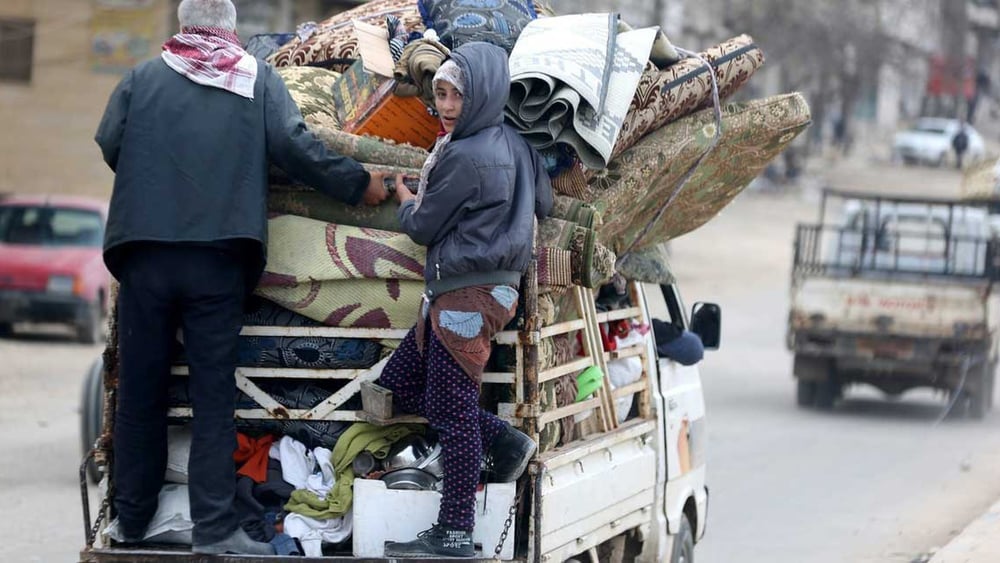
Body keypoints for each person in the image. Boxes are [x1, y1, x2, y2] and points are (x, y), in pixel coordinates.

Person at [94, 0, 388, 555]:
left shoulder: (140, 79)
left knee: (139, 392)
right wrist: (357, 184)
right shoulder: (256, 79)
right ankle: (211, 528)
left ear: (184, 25)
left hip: (144, 256)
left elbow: (111, 143)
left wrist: (156, 181)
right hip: (218, 258)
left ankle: (131, 523)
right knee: (212, 397)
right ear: (231, 28)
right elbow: (296, 148)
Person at [376, 42, 553, 559]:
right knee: (399, 384)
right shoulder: (517, 145)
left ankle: (454, 534)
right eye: (442, 95)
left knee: (453, 418)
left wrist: (406, 201)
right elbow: (544, 202)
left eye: (458, 95)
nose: (448, 106)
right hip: (491, 293)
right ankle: (506, 440)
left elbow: (423, 226)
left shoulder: (464, 154)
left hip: (463, 298)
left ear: (485, 95)